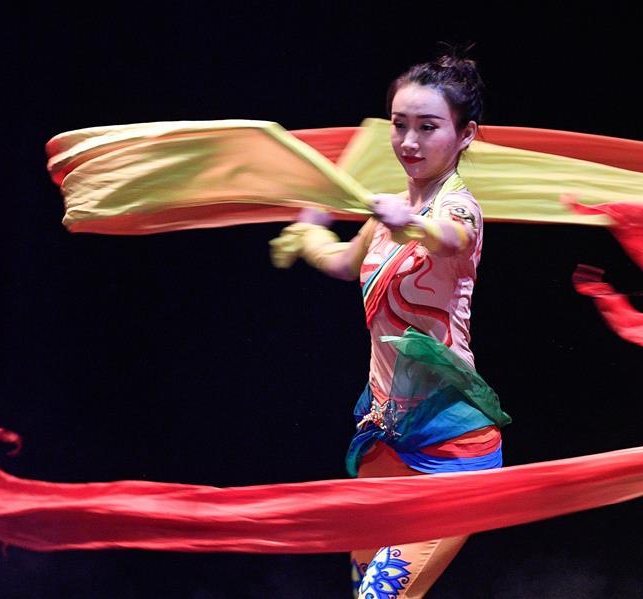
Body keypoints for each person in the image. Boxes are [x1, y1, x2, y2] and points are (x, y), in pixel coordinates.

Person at [271, 52, 510, 598]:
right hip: (384, 441)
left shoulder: (461, 208)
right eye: (400, 126)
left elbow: (451, 238)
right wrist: (309, 226)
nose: (409, 142)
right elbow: (342, 262)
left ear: (466, 135)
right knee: (363, 589)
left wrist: (414, 224)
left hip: (453, 447)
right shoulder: (388, 212)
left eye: (428, 128)